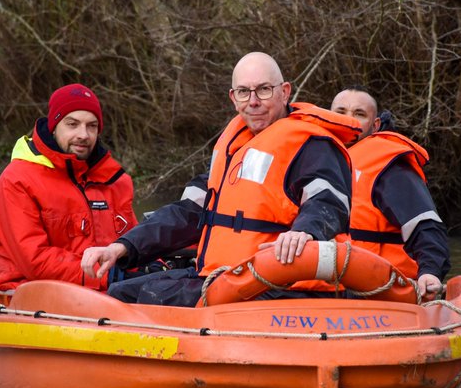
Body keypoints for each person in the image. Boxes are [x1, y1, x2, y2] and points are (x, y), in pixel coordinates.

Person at [81, 52, 360, 306]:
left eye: (263, 90)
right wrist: (123, 246)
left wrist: (305, 233)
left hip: (280, 286)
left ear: (284, 92)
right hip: (223, 277)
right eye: (243, 92)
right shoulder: (233, 149)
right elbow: (186, 214)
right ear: (232, 97)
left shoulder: (312, 145)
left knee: (150, 298)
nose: (253, 101)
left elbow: (329, 202)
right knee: (121, 293)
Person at [0, 83, 137, 293]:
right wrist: (109, 276)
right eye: (72, 124)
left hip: (109, 293)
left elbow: (134, 241)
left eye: (91, 126)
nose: (83, 134)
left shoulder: (116, 182)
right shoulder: (16, 180)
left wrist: (156, 265)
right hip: (31, 296)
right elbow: (34, 261)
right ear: (54, 127)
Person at [330, 87, 450, 298]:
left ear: (375, 125)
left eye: (359, 114)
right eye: (340, 112)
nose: (348, 120)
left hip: (382, 292)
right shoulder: (310, 161)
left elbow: (424, 225)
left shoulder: (390, 169)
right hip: (323, 292)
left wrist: (430, 271)